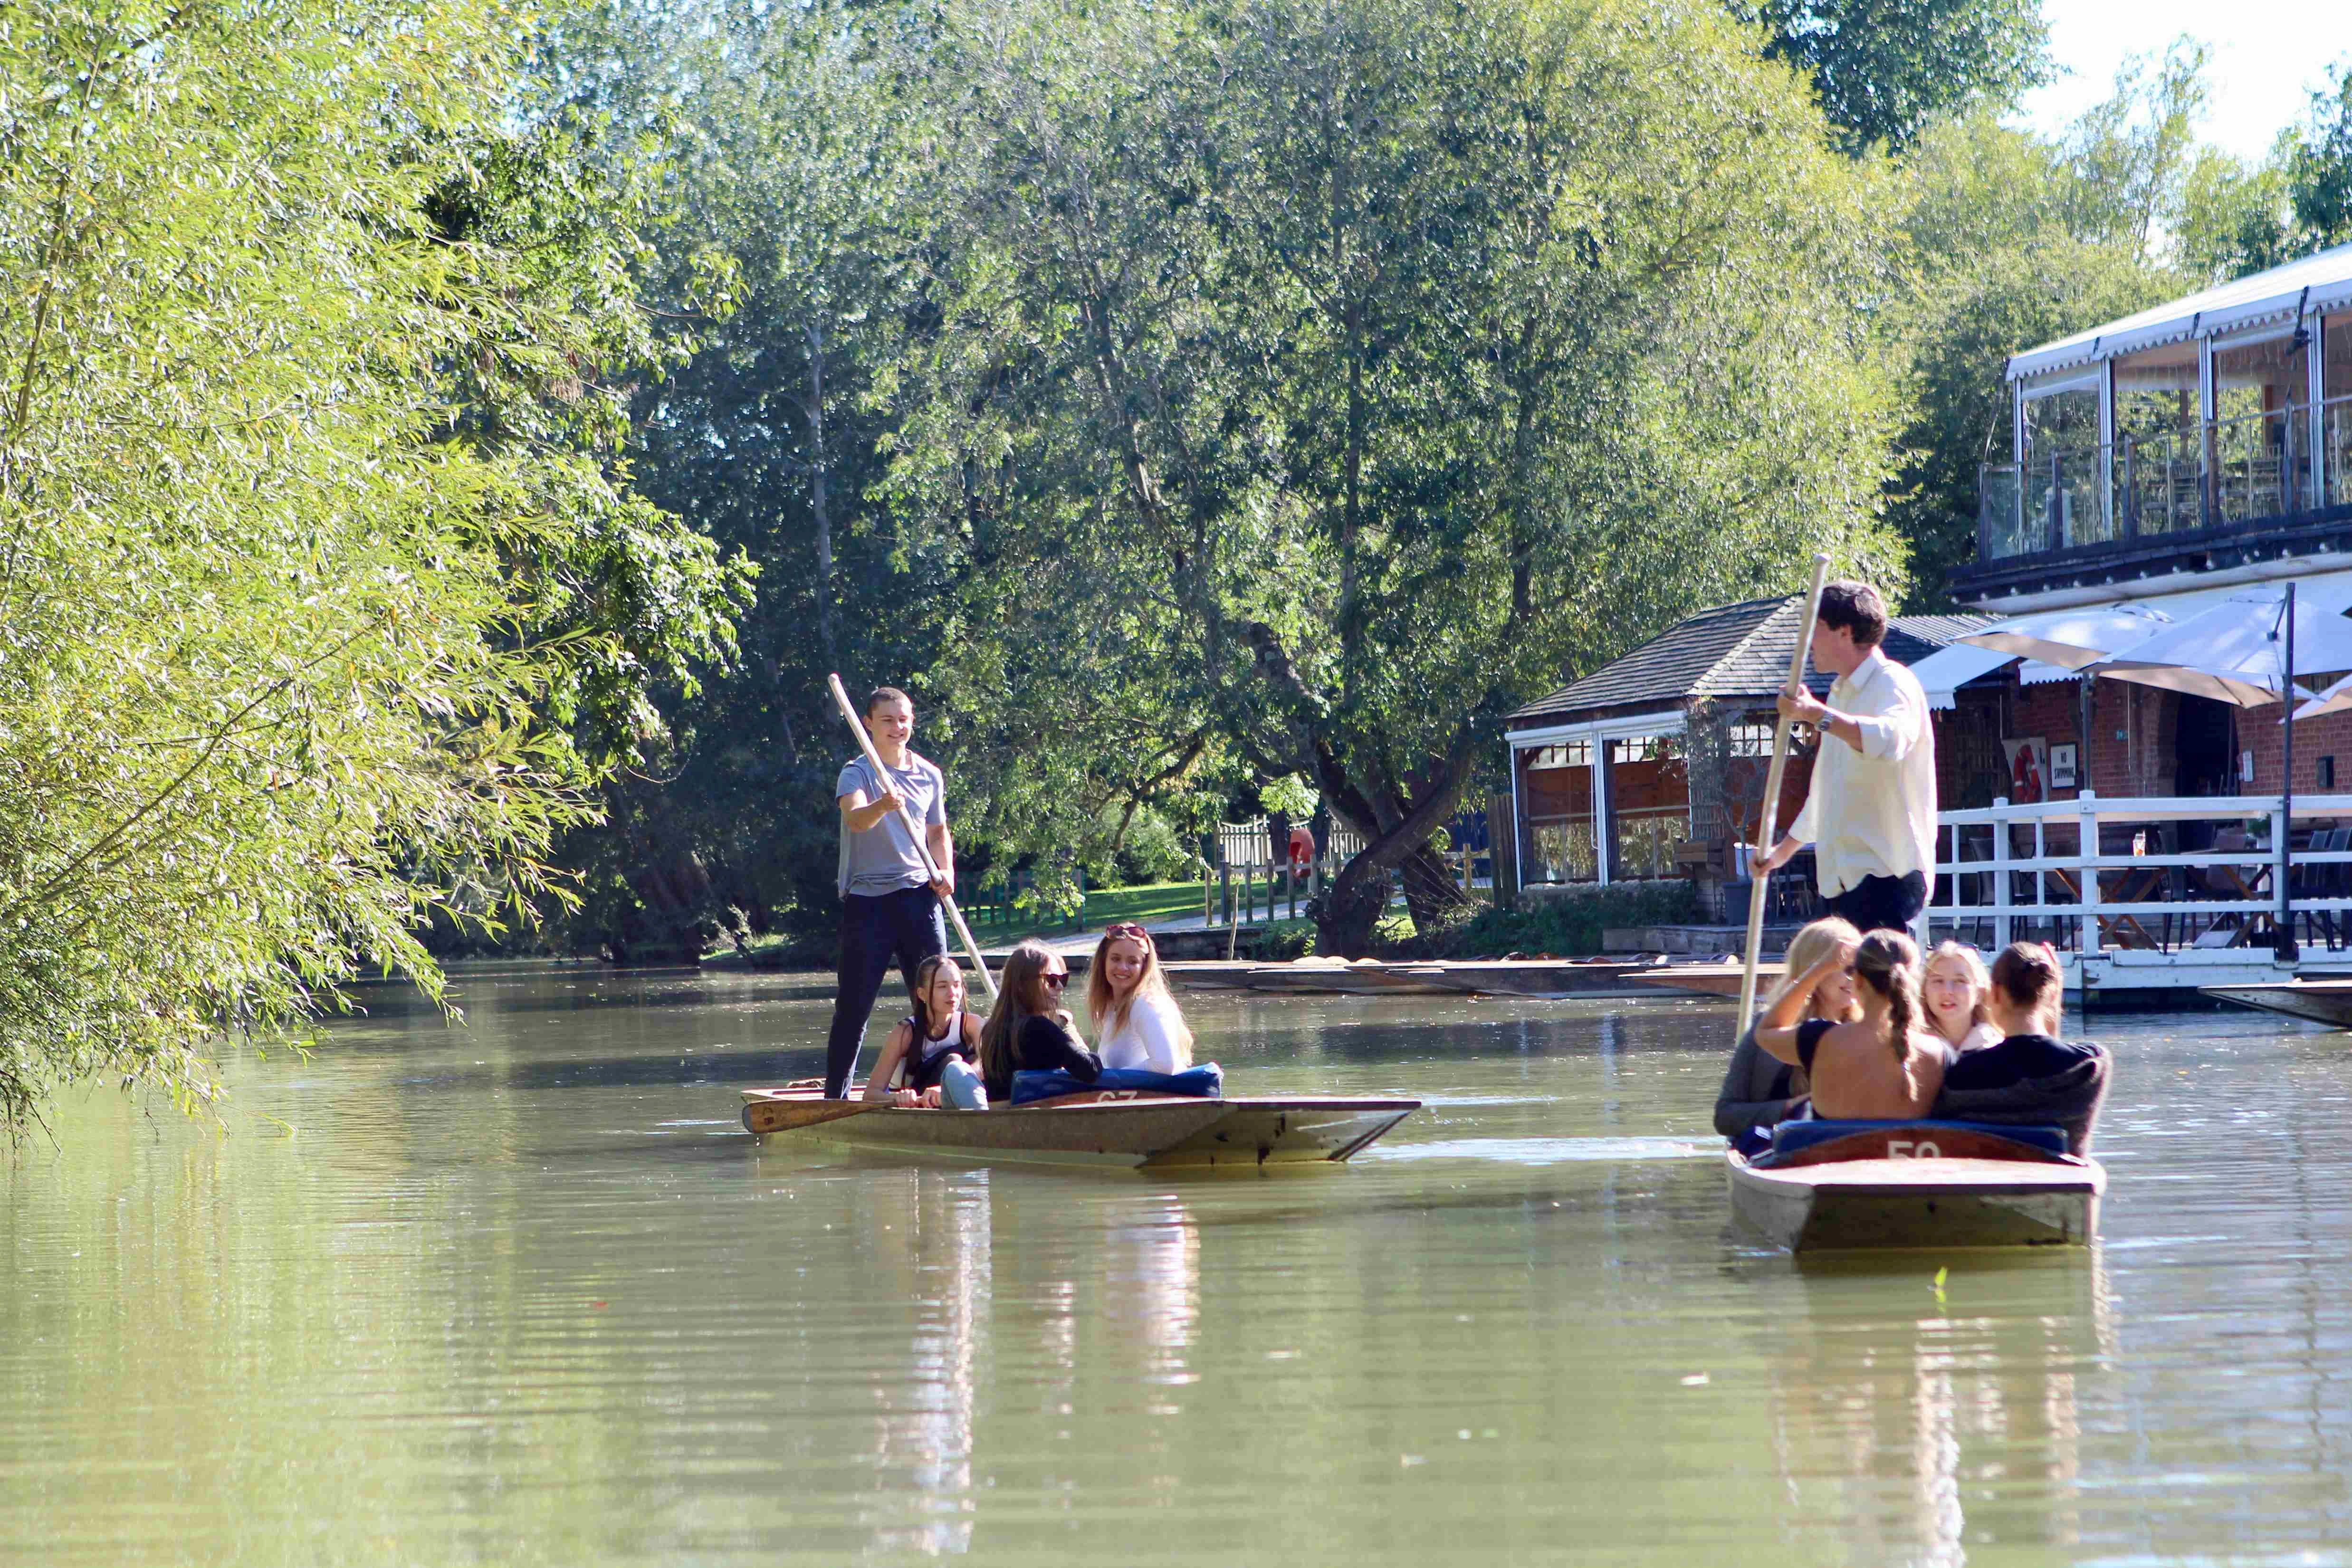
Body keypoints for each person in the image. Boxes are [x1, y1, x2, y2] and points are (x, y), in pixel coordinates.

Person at [1751, 581, 1938, 937]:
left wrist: (1816, 715)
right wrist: (1782, 853)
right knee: (1843, 993)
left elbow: (1889, 741)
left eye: (1816, 630)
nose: (1809, 643)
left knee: (1886, 993)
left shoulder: (1894, 683)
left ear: (1844, 632)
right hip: (1842, 882)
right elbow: (1827, 792)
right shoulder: (1839, 694)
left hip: (1887, 878)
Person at [823, 686, 956, 1099]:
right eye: (888, 720)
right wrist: (883, 805)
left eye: (904, 720)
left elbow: (937, 832)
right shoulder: (857, 772)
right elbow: (858, 819)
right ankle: (836, 1098)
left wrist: (946, 868)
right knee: (854, 1007)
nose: (898, 728)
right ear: (869, 724)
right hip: (869, 904)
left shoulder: (929, 774)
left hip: (920, 897)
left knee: (938, 1002)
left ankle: (939, 1087)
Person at [1933, 941, 2111, 1154]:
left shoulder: (1961, 1075)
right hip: (2058, 1182)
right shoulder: (2090, 1066)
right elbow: (2045, 1069)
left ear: (1995, 994)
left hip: (1991, 1181)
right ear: (2053, 995)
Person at [1755, 930, 1946, 1121]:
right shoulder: (1939, 1053)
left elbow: (1766, 1032)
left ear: (1859, 980)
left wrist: (1819, 969)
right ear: (1914, 980)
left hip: (1830, 1150)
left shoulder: (1820, 1041)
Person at [1713, 916, 1863, 1141]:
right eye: (1847, 968)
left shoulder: (1867, 1030)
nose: (1857, 978)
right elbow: (1725, 1117)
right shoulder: (1767, 1030)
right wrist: (1790, 1108)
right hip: (1775, 1149)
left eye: (1862, 968)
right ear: (1815, 969)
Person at [978, 940, 1102, 1104]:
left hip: (1004, 1122)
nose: (1059, 987)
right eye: (1051, 979)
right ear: (1023, 983)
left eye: (1063, 979)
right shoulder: (1040, 1028)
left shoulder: (990, 1030)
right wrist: (1068, 1029)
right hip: (1040, 1123)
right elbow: (1090, 1070)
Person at [860, 954, 990, 1110]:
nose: (952, 993)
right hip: (920, 1101)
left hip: (952, 1093)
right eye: (942, 986)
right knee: (954, 1060)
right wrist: (898, 1098)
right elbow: (871, 1094)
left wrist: (953, 1084)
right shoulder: (904, 1032)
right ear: (922, 994)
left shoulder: (972, 1023)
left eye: (957, 985)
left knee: (969, 1062)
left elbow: (985, 1064)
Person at [1090, 923, 1195, 1074]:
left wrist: (1112, 1078)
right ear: (1103, 961)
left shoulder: (1146, 1003)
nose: (1123, 968)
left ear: (1144, 966)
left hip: (1154, 1096)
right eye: (1115, 959)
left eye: (1133, 962)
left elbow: (1165, 1065)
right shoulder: (1112, 1006)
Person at [1922, 941, 2004, 1054]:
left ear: (1979, 993)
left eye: (1960, 981)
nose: (1948, 991)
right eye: (1938, 981)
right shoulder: (1912, 1047)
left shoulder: (1997, 1050)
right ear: (1925, 991)